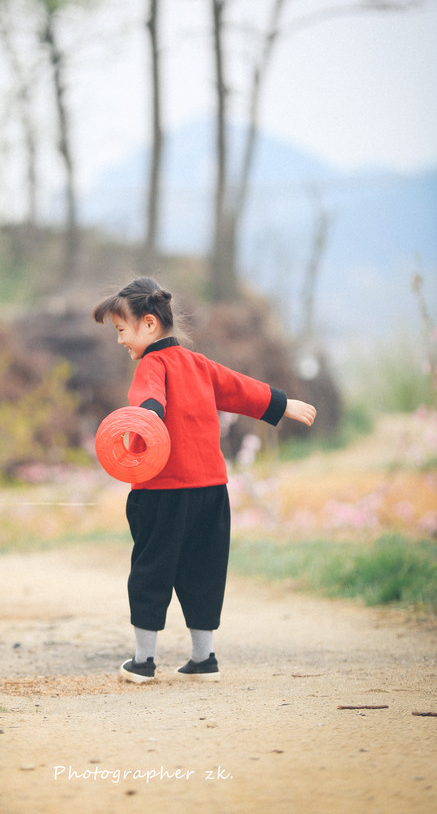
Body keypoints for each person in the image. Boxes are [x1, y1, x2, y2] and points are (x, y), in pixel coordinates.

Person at [93, 277, 317, 683]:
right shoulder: (200, 365)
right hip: (211, 491)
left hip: (163, 491)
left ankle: (143, 663)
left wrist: (145, 421)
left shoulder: (150, 365)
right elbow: (243, 390)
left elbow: (149, 401)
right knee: (204, 569)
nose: (120, 340)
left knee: (152, 568)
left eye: (122, 331)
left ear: (148, 325)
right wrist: (285, 404)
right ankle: (204, 659)